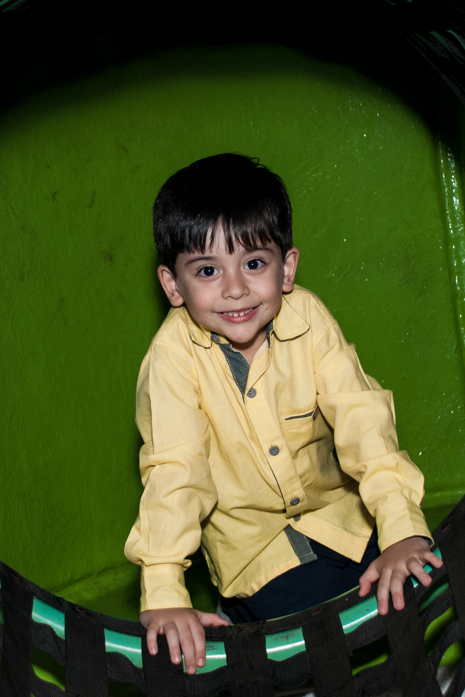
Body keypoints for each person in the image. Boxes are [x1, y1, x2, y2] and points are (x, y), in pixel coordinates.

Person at [125, 154, 441, 674]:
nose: (234, 288)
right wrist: (165, 591)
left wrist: (400, 525)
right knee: (315, 638)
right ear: (173, 286)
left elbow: (364, 422)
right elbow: (175, 473)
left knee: (414, 585)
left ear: (286, 267)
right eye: (207, 271)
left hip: (343, 522)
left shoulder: (309, 319)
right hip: (257, 556)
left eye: (253, 263)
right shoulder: (171, 361)